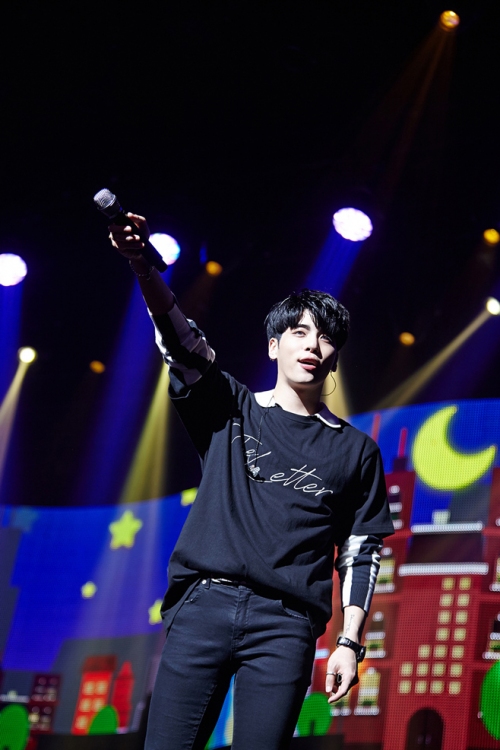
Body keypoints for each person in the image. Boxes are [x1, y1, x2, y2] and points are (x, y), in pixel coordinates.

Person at [109, 213, 394, 750]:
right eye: (299, 332)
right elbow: (183, 344)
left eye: (326, 337)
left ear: (336, 356)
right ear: (273, 346)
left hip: (286, 626)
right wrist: (142, 267)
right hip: (203, 607)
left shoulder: (357, 451)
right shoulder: (231, 409)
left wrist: (349, 642)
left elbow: (361, 550)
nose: (313, 345)